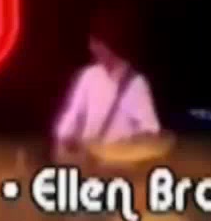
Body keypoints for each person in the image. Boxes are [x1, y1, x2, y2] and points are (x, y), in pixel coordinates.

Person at [51, 11, 162, 159]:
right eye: (91, 42)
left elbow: (150, 129)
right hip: (89, 159)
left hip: (119, 163)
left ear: (111, 45)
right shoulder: (88, 76)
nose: (91, 48)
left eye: (96, 43)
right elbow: (72, 115)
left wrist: (129, 145)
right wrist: (63, 138)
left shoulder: (136, 83)